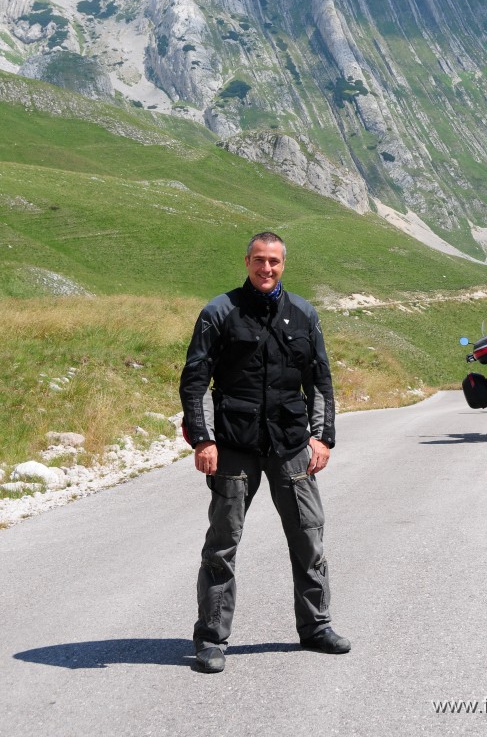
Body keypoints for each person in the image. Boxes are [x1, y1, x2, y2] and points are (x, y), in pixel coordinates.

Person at [180, 231, 350, 673]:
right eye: (259, 260)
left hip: (291, 443)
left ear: (283, 264)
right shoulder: (220, 312)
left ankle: (316, 628)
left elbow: (320, 381)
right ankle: (211, 638)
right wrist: (204, 439)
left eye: (274, 261)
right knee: (222, 544)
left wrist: (322, 437)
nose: (266, 268)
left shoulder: (303, 313)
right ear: (247, 261)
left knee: (309, 537)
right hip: (234, 445)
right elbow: (195, 380)